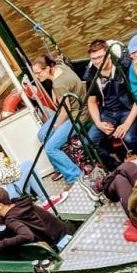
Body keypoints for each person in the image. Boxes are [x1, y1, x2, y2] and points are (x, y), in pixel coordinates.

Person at [84, 39, 137, 169]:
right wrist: (99, 123)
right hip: (107, 113)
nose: (97, 61)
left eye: (100, 57)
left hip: (127, 109)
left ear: (108, 55)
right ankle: (115, 167)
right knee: (89, 143)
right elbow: (91, 102)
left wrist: (126, 124)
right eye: (94, 59)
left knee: (129, 138)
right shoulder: (92, 73)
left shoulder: (124, 67)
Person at [33, 55, 88, 187]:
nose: (36, 77)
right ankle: (59, 167)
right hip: (70, 111)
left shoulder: (59, 85)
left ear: (47, 69)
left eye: (38, 73)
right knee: (41, 134)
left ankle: (75, 177)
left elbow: (66, 111)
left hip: (76, 116)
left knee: (50, 148)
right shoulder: (61, 67)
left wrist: (57, 125)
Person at [0, 187, 72, 251]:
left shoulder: (11, 219)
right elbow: (12, 228)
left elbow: (27, 236)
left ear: (0, 206)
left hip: (60, 243)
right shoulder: (19, 205)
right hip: (64, 230)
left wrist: (1, 244)